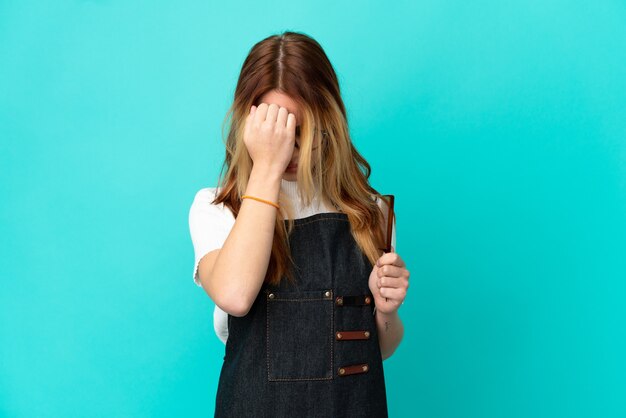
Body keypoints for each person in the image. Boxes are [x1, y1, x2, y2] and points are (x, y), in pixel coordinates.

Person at [188, 31, 410, 418]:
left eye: (301, 130)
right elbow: (235, 296)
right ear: (248, 123)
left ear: (329, 120)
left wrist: (387, 311)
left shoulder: (371, 212)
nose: (288, 146)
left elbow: (382, 348)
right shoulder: (217, 207)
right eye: (276, 128)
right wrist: (266, 167)